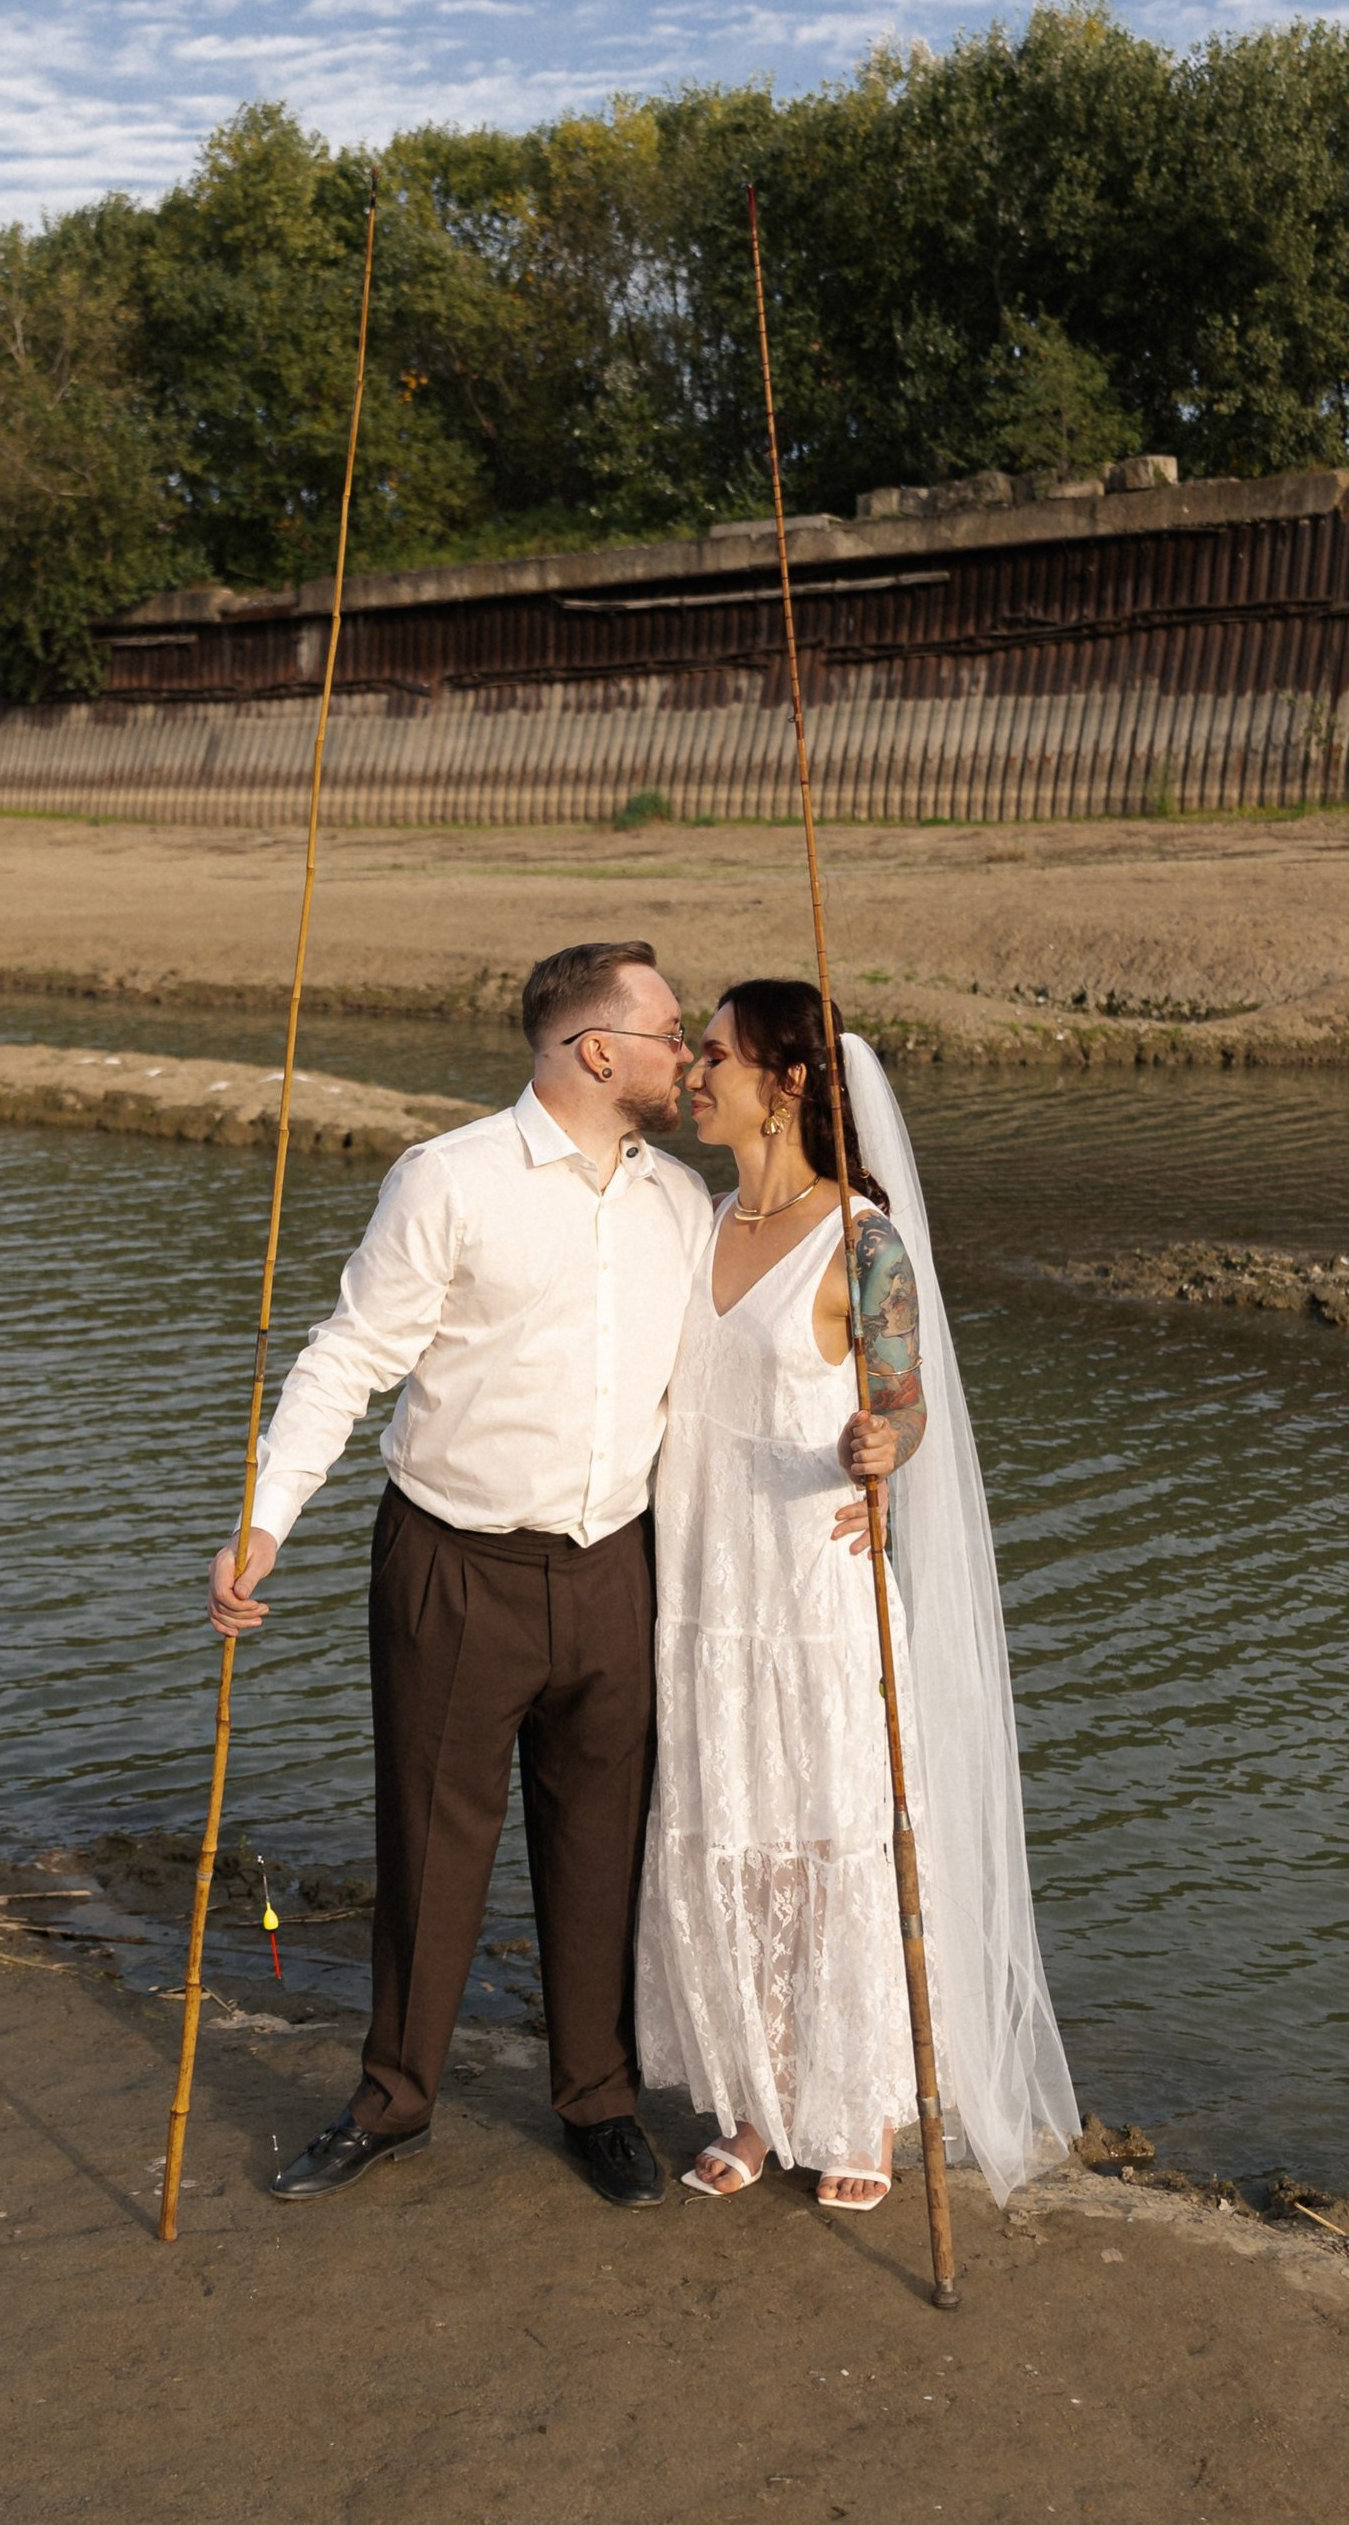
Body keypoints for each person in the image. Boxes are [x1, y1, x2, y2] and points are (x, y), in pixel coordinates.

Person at [207, 941, 869, 2209]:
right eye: (671, 1036)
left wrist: (865, 1474)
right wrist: (263, 1520)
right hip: (453, 1563)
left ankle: (598, 2101)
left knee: (603, 1847)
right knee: (432, 1843)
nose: (688, 1061)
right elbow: (348, 1356)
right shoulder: (447, 1179)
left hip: (619, 1569)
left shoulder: (685, 1204)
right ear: (597, 1049)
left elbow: (767, 1370)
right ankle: (393, 2101)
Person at [635, 980, 1078, 2211]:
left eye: (714, 1055)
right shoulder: (696, 1224)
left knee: (834, 1842)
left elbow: (906, 1404)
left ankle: (862, 2102)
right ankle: (759, 2097)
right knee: (735, 1841)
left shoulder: (862, 1244)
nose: (694, 1074)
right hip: (702, 1588)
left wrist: (885, 1448)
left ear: (784, 1084)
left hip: (812, 1590)